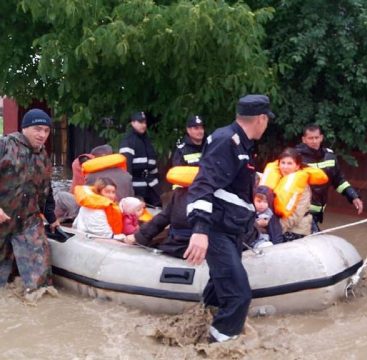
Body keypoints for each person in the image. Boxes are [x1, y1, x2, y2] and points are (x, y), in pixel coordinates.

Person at [184, 94, 274, 343]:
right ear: (261, 119)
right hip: (216, 230)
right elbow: (203, 185)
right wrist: (200, 230)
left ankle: (196, 331)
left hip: (231, 229)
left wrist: (252, 232)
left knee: (219, 290)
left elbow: (235, 196)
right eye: (267, 121)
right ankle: (218, 349)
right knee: (239, 296)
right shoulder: (228, 142)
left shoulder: (241, 144)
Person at [0, 108, 60, 293]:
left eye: (47, 131)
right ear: (25, 128)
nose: (42, 135)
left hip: (29, 222)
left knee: (40, 283)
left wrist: (52, 217)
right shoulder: (5, 146)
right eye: (38, 129)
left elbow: (47, 190)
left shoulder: (43, 157)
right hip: (2, 220)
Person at [296, 124, 363, 229]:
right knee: (314, 241)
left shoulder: (329, 156)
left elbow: (338, 180)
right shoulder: (296, 158)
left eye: (316, 137)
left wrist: (353, 196)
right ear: (304, 139)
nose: (314, 141)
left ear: (321, 138)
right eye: (310, 138)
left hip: (318, 210)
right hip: (301, 211)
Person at [124, 187, 192, 258]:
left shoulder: (201, 198)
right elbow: (163, 217)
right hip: (173, 245)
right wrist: (138, 236)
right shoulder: (181, 193)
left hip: (192, 251)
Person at [119, 112, 162, 207]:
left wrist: (158, 183)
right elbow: (126, 168)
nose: (143, 125)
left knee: (158, 209)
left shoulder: (147, 140)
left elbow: (153, 165)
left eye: (145, 123)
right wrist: (128, 190)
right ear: (133, 123)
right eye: (140, 122)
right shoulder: (128, 141)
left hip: (151, 185)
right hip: (136, 186)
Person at [275, 148, 313, 241]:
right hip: (278, 225)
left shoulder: (302, 186)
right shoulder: (278, 180)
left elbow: (296, 214)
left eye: (289, 163)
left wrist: (274, 229)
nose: (285, 167)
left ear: (297, 166)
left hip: (296, 230)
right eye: (283, 163)